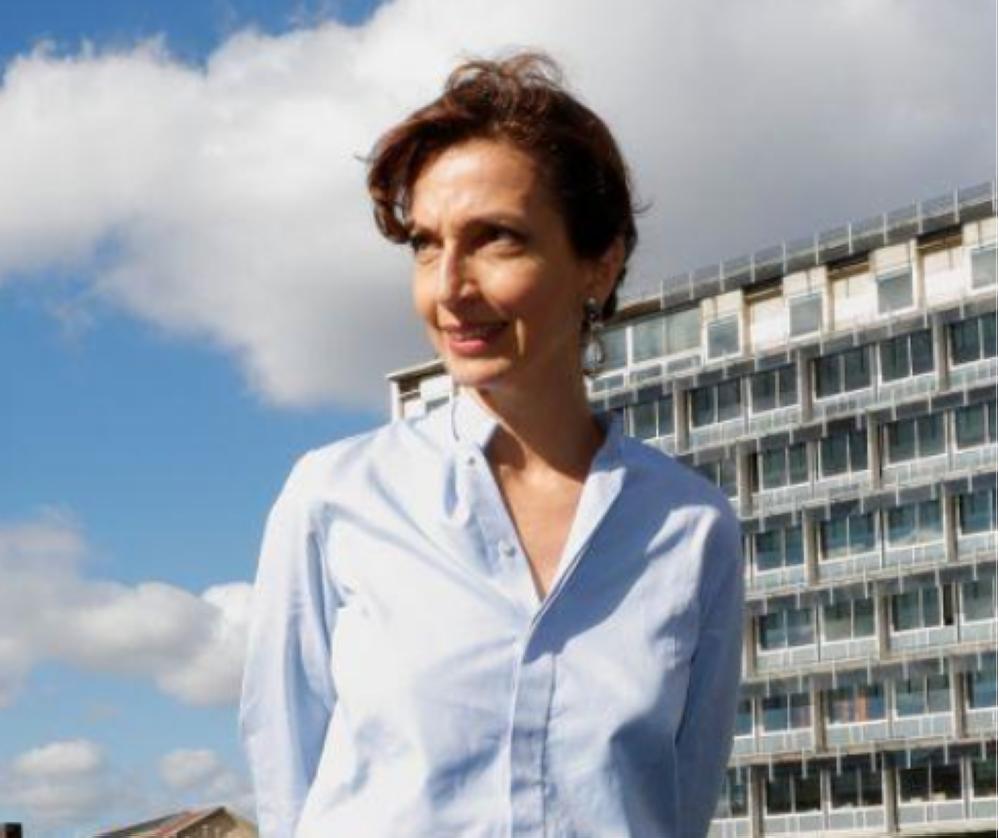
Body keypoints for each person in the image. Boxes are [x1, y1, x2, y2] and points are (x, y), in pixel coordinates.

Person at [238, 51, 745, 838]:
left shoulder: (693, 527)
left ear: (599, 264)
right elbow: (285, 777)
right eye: (426, 244)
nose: (448, 288)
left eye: (496, 239)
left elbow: (677, 805)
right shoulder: (334, 497)